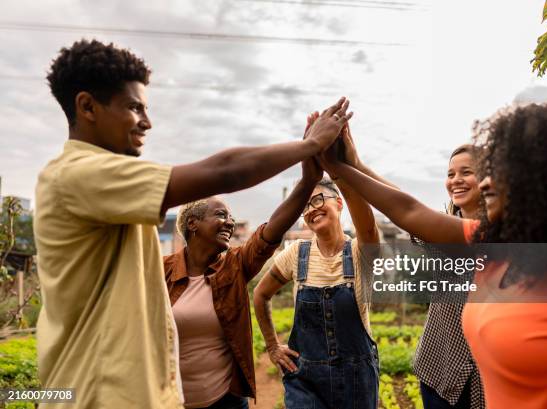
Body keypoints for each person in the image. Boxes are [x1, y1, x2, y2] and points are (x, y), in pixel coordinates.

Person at [35, 39, 351, 408]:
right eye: (134, 108)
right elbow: (224, 171)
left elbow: (268, 233)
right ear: (87, 106)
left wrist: (306, 181)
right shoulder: (80, 175)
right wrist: (309, 146)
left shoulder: (106, 191)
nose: (147, 122)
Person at [318, 102, 547, 409]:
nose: (486, 182)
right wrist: (343, 166)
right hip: (443, 376)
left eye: (501, 170)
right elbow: (409, 210)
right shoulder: (495, 240)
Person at [164, 115, 324, 409]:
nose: (230, 222)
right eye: (221, 215)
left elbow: (272, 230)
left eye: (232, 217)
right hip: (171, 401)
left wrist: (308, 181)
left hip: (227, 399)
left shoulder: (234, 266)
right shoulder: (160, 272)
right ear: (193, 225)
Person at [254, 121, 388, 409]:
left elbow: (367, 225)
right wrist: (273, 346)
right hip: (306, 382)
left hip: (357, 380)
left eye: (318, 199)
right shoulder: (296, 254)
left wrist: (338, 168)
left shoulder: (359, 251)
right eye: (305, 206)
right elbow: (260, 295)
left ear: (338, 204)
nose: (312, 208)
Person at [412, 144, 485, 409]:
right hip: (440, 373)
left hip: (490, 383)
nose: (456, 180)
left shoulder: (510, 235)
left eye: (466, 172)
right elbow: (404, 209)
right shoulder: (439, 232)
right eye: (451, 174)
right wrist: (352, 166)